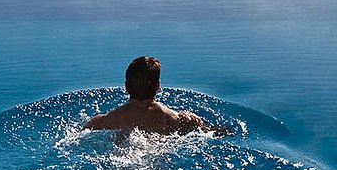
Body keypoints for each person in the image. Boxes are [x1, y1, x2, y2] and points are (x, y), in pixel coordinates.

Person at [82, 56, 234, 137]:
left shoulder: (107, 119)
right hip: (155, 158)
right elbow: (209, 132)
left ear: (126, 87)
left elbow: (83, 132)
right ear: (158, 86)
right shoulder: (175, 119)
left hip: (122, 158)